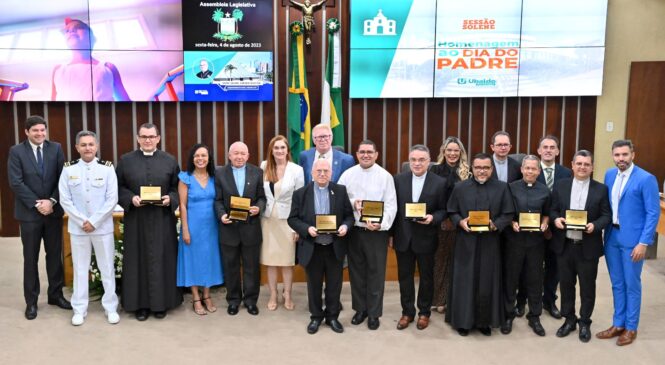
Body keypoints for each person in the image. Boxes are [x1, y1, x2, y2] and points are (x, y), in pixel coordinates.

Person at [596, 140, 660, 346]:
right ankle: (618, 323)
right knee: (616, 283)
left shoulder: (646, 178)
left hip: (634, 241)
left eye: (625, 154)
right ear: (612, 156)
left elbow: (653, 213)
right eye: (617, 155)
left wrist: (644, 242)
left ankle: (631, 327)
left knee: (631, 284)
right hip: (612, 237)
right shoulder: (609, 175)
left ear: (633, 154)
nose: (621, 159)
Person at [116, 123, 182, 320]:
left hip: (162, 220)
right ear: (138, 138)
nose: (147, 140)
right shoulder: (126, 160)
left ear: (158, 138)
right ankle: (140, 306)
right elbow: (118, 187)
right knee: (138, 261)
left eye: (151, 136)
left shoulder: (170, 160)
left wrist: (171, 199)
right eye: (144, 136)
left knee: (163, 259)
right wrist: (129, 198)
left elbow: (177, 188)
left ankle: (161, 304)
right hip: (137, 219)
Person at [8, 115, 71, 320]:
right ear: (26, 132)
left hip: (53, 213)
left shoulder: (56, 148)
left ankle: (55, 295)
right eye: (35, 130)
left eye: (43, 130)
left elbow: (63, 178)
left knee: (54, 256)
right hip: (29, 215)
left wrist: (51, 201)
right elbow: (16, 182)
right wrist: (38, 204)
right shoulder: (16, 151)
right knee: (30, 258)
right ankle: (31, 302)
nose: (40, 134)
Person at [445, 153, 514, 336]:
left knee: (487, 281)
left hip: (490, 242)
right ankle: (463, 322)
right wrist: (460, 222)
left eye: (486, 167)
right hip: (465, 242)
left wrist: (495, 224)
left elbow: (508, 214)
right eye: (478, 168)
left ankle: (485, 322)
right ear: (472, 169)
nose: (482, 171)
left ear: (491, 169)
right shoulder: (460, 188)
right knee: (465, 281)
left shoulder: (502, 188)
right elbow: (451, 210)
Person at [58, 130, 119, 326]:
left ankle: (110, 307)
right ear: (77, 148)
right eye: (83, 145)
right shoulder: (68, 170)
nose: (87, 148)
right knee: (80, 269)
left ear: (97, 146)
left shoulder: (107, 169)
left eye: (91, 144)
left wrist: (94, 221)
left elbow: (112, 199)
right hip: (78, 229)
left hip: (101, 228)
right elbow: (65, 199)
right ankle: (79, 309)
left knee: (107, 268)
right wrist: (82, 220)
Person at [287, 159, 354, 334]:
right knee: (314, 286)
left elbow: (349, 216)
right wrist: (307, 229)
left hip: (334, 247)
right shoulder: (301, 194)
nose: (322, 174)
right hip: (312, 247)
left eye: (326, 171)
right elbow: (292, 219)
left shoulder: (340, 191)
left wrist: (345, 227)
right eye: (319, 171)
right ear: (312, 173)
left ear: (331, 173)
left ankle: (332, 317)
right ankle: (316, 317)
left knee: (334, 286)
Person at [550, 150, 611, 343]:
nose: (582, 167)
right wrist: (555, 219)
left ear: (592, 167)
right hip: (565, 245)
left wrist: (596, 225)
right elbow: (552, 210)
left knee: (587, 287)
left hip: (588, 247)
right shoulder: (560, 186)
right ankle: (569, 320)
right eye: (579, 163)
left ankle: (585, 322)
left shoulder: (601, 189)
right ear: (572, 165)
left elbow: (606, 215)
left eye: (586, 164)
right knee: (566, 286)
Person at [338, 139, 397, 330]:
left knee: (376, 273)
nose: (366, 155)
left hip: (376, 233)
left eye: (369, 152)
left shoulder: (385, 176)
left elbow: (391, 205)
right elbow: (338, 199)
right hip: (355, 231)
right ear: (356, 154)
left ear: (376, 154)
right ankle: (360, 310)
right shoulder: (348, 175)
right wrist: (354, 202)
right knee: (356, 273)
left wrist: (381, 224)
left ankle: (374, 313)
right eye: (362, 151)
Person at [391, 145, 447, 331]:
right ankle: (407, 312)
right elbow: (394, 209)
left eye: (421, 160)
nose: (417, 163)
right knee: (404, 277)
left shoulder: (439, 182)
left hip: (426, 237)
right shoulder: (398, 180)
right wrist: (391, 236)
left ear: (429, 161)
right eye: (413, 159)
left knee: (426, 278)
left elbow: (444, 210)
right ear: (409, 160)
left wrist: (433, 218)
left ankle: (424, 312)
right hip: (403, 237)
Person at [501, 155, 551, 336]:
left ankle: (535, 316)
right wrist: (511, 222)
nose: (530, 171)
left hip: (536, 242)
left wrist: (545, 223)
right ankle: (508, 314)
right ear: (522, 169)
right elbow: (505, 211)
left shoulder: (545, 191)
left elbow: (547, 213)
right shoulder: (511, 188)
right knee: (511, 278)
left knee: (535, 279)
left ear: (539, 171)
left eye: (534, 169)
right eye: (527, 168)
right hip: (514, 240)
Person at [215, 142, 266, 316]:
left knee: (252, 267)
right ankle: (233, 300)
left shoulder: (257, 172)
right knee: (231, 267)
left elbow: (262, 197)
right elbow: (218, 200)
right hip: (229, 228)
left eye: (242, 153)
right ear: (229, 155)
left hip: (250, 228)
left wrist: (258, 208)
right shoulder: (220, 173)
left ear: (248, 155)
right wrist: (221, 215)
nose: (239, 157)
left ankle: (251, 301)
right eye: (235, 153)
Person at [177, 144, 223, 316]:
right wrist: (186, 230)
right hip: (193, 226)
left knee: (210, 259)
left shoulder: (215, 177)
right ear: (192, 158)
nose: (200, 159)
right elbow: (182, 205)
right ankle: (196, 297)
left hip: (212, 227)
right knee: (192, 260)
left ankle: (207, 295)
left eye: (204, 155)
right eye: (197, 155)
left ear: (209, 158)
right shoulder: (185, 178)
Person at [260, 135, 305, 311]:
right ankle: (273, 294)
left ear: (288, 150)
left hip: (288, 222)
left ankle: (288, 294)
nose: (279, 151)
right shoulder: (264, 166)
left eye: (282, 148)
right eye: (276, 148)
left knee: (286, 262)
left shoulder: (297, 170)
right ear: (271, 150)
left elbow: (300, 199)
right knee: (271, 261)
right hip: (268, 220)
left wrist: (298, 227)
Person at [429, 136, 471, 314]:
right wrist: (444, 219)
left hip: (460, 224)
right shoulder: (435, 170)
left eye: (456, 150)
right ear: (443, 152)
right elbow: (433, 198)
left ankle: (451, 300)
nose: (452, 153)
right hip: (439, 223)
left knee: (457, 263)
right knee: (439, 262)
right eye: (449, 150)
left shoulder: (467, 173)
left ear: (461, 153)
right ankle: (438, 299)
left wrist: (457, 220)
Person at [536, 135, 572, 319]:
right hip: (533, 228)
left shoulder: (566, 173)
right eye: (545, 147)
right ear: (539, 151)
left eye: (552, 147)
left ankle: (549, 301)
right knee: (531, 266)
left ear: (557, 151)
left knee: (554, 266)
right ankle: (525, 300)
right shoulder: (530, 169)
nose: (549, 150)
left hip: (558, 229)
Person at [51, 18, 130, 101]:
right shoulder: (58, 70)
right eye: (67, 31)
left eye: (78, 27)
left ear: (92, 38)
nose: (71, 31)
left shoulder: (108, 67)